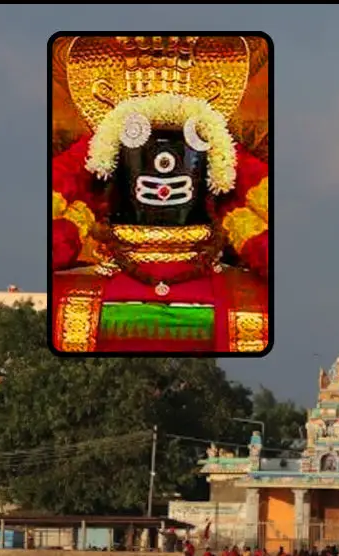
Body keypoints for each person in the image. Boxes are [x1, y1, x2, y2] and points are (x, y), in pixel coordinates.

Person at [50, 35, 269, 353]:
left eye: (184, 142)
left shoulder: (257, 297)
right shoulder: (61, 293)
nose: (164, 163)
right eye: (141, 141)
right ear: (112, 159)